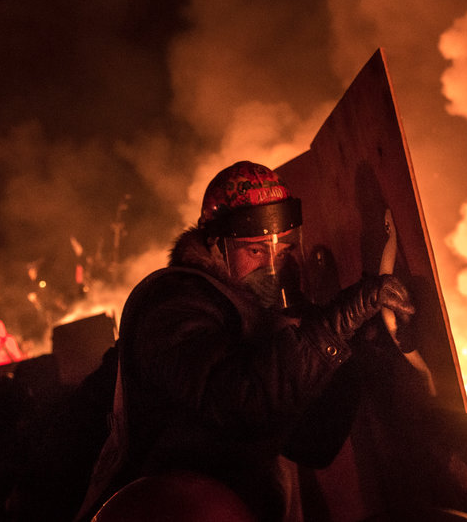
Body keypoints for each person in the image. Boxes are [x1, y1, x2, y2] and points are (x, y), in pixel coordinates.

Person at [76, 161, 415, 522]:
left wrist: (354, 346)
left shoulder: (252, 312)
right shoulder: (174, 303)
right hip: (163, 508)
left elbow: (312, 442)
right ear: (216, 245)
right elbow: (241, 403)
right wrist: (335, 326)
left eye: (281, 251)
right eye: (255, 251)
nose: (272, 267)